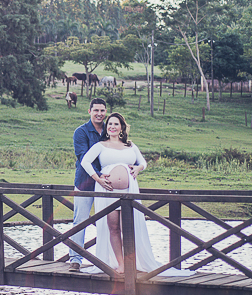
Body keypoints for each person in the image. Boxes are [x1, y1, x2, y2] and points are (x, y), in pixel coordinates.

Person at [79, 112, 192, 277]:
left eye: (116, 124)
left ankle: (132, 262)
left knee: (128, 228)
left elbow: (143, 163)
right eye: (109, 124)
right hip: (108, 193)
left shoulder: (131, 146)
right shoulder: (100, 145)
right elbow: (85, 162)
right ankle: (121, 264)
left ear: (121, 128)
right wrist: (98, 179)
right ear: (106, 127)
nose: (112, 127)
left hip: (128, 193)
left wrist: (139, 168)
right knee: (114, 228)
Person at [69, 97, 108, 271]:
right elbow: (83, 158)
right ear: (89, 111)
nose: (99, 114)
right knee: (80, 220)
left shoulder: (111, 129)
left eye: (102, 110)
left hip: (107, 185)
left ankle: (106, 259)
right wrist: (98, 176)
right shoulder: (81, 132)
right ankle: (75, 259)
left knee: (109, 221)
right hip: (85, 182)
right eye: (96, 110)